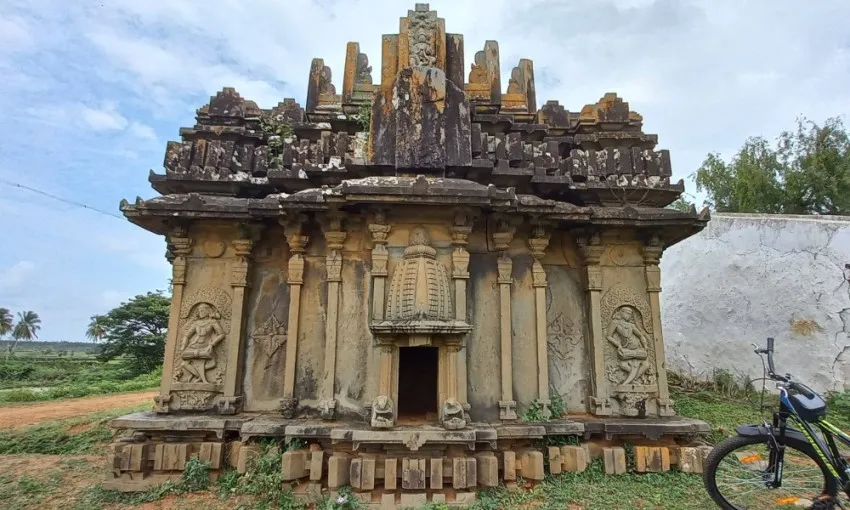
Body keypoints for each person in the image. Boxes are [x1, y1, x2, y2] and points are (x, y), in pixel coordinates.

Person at [606, 306, 651, 385]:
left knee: (646, 365)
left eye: (630, 314)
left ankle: (633, 379)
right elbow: (609, 336)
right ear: (621, 312)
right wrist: (618, 345)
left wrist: (645, 345)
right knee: (623, 365)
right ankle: (633, 379)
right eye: (627, 313)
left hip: (637, 348)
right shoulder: (615, 322)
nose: (629, 315)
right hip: (626, 349)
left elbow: (640, 336)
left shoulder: (631, 325)